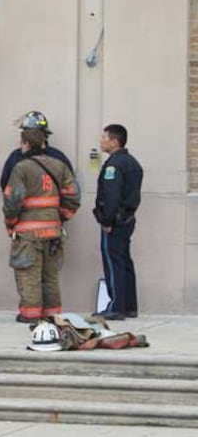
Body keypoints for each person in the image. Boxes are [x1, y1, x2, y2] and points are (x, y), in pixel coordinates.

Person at [3, 128, 81, 323]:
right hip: (54, 232)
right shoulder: (59, 165)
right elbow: (73, 196)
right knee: (50, 277)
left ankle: (30, 315)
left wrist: (11, 224)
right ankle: (52, 315)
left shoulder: (21, 168)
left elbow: (13, 201)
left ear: (27, 144)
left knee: (29, 275)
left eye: (21, 143)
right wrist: (61, 217)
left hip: (28, 234)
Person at [93, 124, 143, 320]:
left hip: (115, 222)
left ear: (114, 142)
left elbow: (112, 196)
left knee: (114, 263)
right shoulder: (131, 162)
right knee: (124, 262)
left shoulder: (114, 165)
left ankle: (116, 307)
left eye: (104, 137)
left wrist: (107, 220)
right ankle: (129, 305)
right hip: (127, 219)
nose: (101, 140)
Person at [0, 111, 74, 191]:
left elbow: (6, 185)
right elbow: (71, 188)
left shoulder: (16, 157)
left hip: (23, 203)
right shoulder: (58, 157)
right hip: (54, 203)